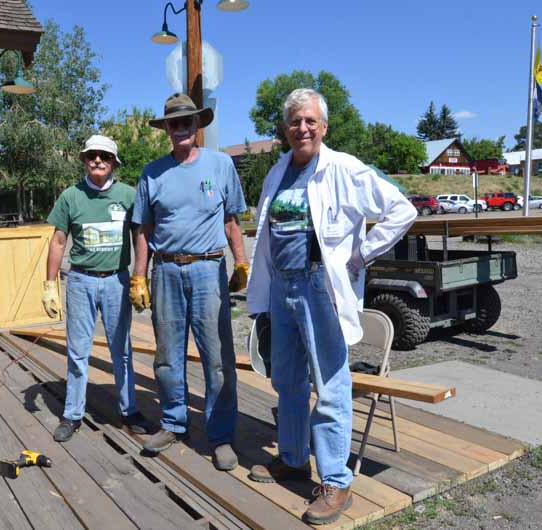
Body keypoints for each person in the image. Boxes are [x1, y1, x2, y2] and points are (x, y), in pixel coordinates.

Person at [245, 89, 416, 524]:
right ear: (284, 129)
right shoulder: (277, 172)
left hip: (321, 287)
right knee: (287, 380)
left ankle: (336, 481)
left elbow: (401, 210)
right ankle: (293, 457)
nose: (302, 128)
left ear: (323, 127)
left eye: (310, 121)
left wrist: (361, 256)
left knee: (331, 385)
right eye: (294, 122)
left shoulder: (344, 168)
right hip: (282, 288)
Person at [130, 93, 250, 471]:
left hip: (208, 270)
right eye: (174, 123)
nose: (181, 128)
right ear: (166, 128)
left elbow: (232, 219)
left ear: (198, 125)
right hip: (164, 270)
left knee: (217, 359)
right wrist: (138, 276)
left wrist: (241, 263)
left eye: (188, 122)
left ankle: (220, 435)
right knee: (167, 356)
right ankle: (173, 422)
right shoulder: (152, 172)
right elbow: (143, 230)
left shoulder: (221, 164)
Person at [42, 134, 151, 442]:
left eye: (104, 156)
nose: (98, 161)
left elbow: (141, 236)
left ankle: (129, 410)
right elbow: (59, 241)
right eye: (92, 156)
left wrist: (140, 276)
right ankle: (73, 414)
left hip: (117, 280)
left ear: (115, 162)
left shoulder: (129, 195)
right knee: (78, 351)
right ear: (84, 160)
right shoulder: (70, 197)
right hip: (80, 281)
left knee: (122, 351)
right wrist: (50, 283)